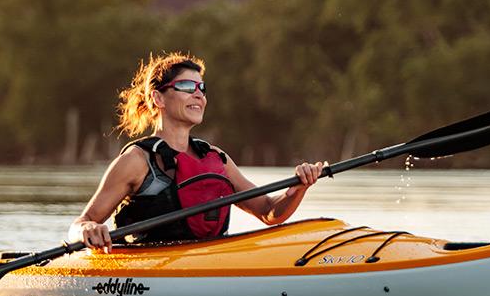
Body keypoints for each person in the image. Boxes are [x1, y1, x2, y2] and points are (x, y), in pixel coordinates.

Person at [69, 53, 325, 251]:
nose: (199, 95)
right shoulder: (136, 161)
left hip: (205, 272)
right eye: (187, 86)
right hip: (148, 278)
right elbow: (81, 223)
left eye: (202, 89)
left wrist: (297, 189)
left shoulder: (217, 159)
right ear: (158, 98)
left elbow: (269, 212)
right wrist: (88, 228)